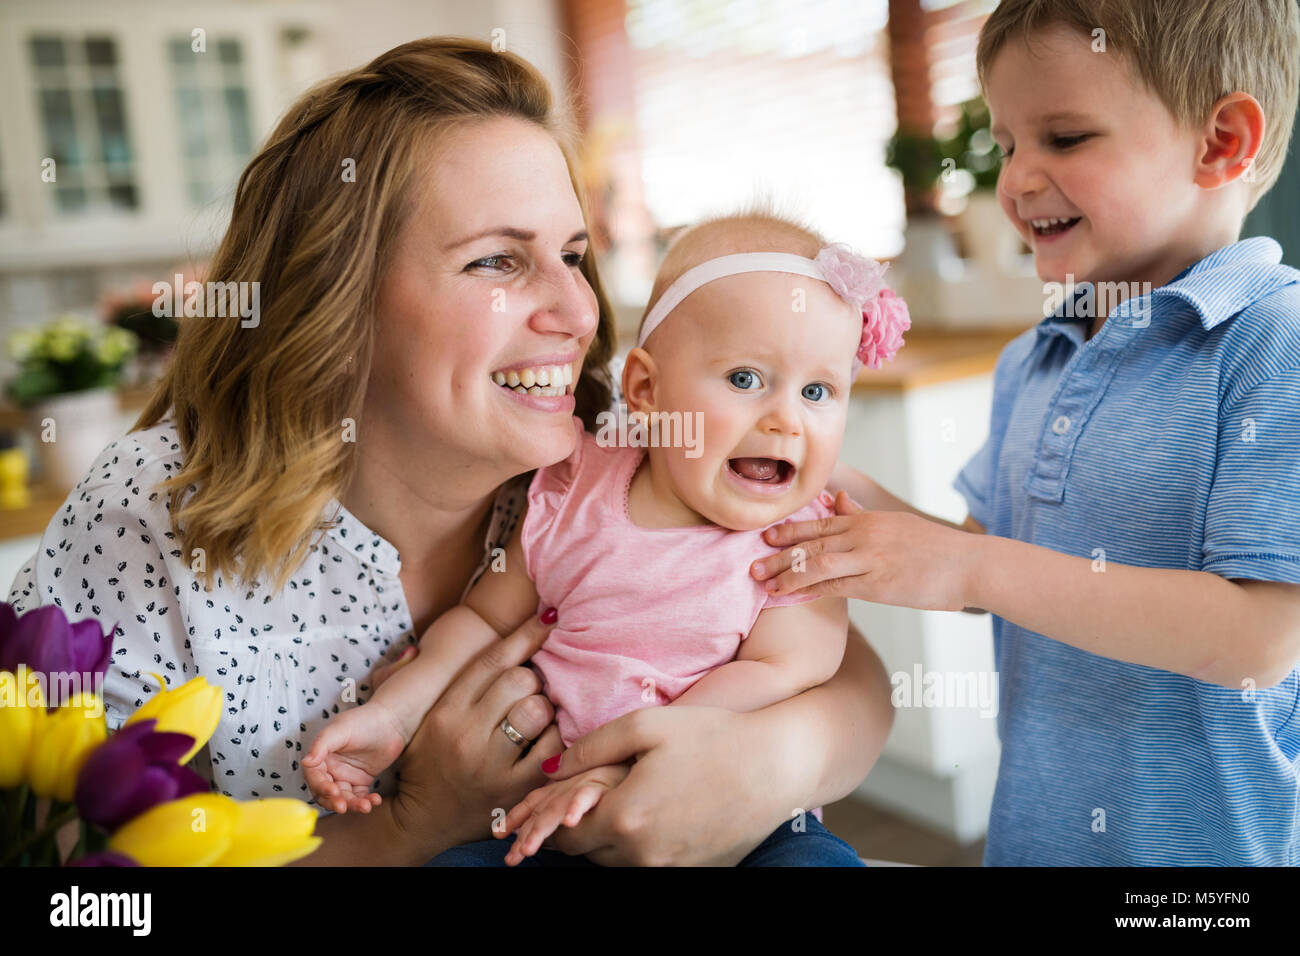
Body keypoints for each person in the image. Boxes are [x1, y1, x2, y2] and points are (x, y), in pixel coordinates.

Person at [7, 36, 896, 866]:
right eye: (497, 263)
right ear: (339, 300)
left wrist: (773, 763)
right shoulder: (155, 511)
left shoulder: (614, 446)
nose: (579, 312)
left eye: (573, 255)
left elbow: (847, 671)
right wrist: (414, 825)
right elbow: (79, 889)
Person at [752, 0, 1300, 865]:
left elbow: (1261, 640)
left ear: (1220, 143)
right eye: (1007, 145)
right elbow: (982, 567)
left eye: (1066, 138)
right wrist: (822, 469)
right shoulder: (1033, 360)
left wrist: (976, 565)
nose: (1015, 179)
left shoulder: (1272, 344)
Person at [303, 211, 910, 866]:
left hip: (734, 824)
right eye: (744, 379)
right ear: (646, 389)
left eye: (819, 391)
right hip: (544, 816)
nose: (787, 419)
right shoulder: (577, 487)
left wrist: (638, 761)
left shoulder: (804, 538)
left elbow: (785, 669)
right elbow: (481, 619)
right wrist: (393, 715)